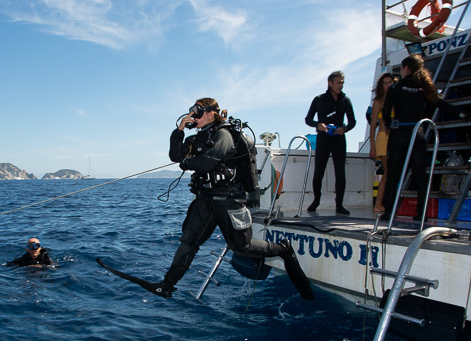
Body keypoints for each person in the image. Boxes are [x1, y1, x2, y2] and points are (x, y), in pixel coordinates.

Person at [153, 97, 313, 300]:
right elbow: (175, 156)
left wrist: (187, 163)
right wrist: (180, 130)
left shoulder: (224, 134)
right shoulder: (198, 138)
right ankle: (167, 285)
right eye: (193, 112)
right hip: (206, 198)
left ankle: (282, 249)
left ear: (211, 113)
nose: (194, 115)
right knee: (189, 242)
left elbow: (206, 163)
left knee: (241, 246)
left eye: (198, 111)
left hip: (228, 199)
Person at [381, 55, 468, 221]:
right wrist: (463, 114)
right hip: (417, 132)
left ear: (406, 68)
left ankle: (389, 213)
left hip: (399, 132)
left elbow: (386, 112)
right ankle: (421, 214)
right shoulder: (425, 87)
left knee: (393, 174)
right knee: (420, 175)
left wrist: (388, 124)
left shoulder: (396, 87)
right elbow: (441, 105)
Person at [305, 71, 357, 215]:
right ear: (330, 83)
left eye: (342, 83)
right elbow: (308, 119)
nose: (340, 85)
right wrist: (318, 125)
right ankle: (316, 200)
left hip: (339, 139)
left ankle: (339, 204)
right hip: (323, 138)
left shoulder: (345, 100)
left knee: (340, 172)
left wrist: (344, 129)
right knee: (319, 171)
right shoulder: (319, 99)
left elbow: (353, 121)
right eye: (338, 82)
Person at [369, 73, 395, 213]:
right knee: (389, 171)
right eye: (385, 83)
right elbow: (373, 125)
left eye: (390, 82)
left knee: (391, 172)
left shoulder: (396, 100)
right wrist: (372, 146)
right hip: (382, 138)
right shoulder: (378, 102)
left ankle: (384, 202)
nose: (388, 85)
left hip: (395, 139)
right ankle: (378, 203)